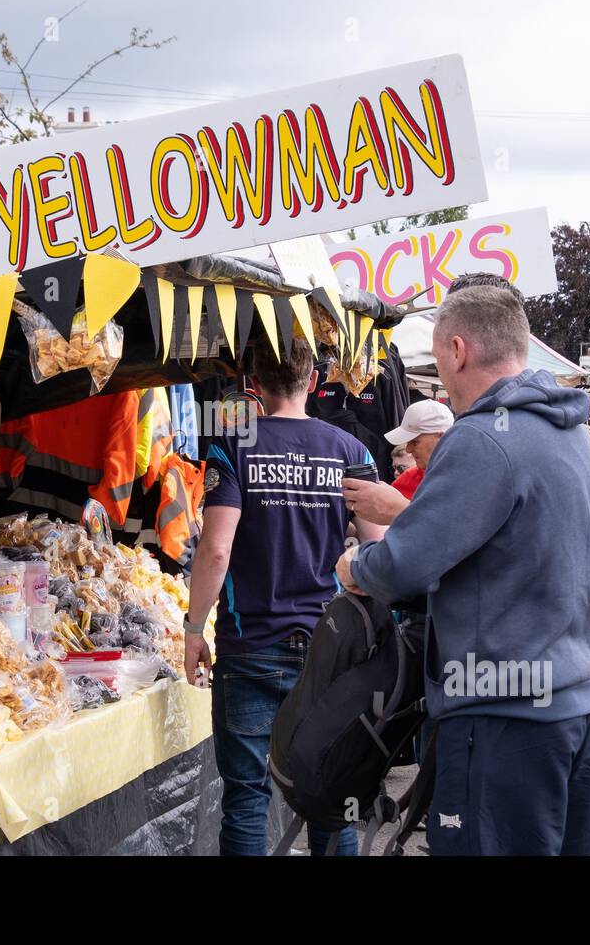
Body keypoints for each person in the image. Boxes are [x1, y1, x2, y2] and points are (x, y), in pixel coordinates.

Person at [337, 286, 590, 855]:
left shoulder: (483, 438)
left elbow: (402, 565)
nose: (440, 367)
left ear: (457, 350)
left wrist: (356, 564)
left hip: (503, 717)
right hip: (575, 708)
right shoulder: (572, 434)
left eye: (438, 358)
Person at [185, 337, 386, 856]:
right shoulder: (351, 452)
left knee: (248, 797)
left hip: (248, 646)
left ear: (253, 383)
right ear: (315, 382)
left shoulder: (232, 446)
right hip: (330, 647)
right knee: (329, 792)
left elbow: (214, 551)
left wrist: (193, 629)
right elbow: (379, 553)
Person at [346, 399, 454, 521]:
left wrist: (399, 510)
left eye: (415, 442)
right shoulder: (410, 477)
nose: (408, 449)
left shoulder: (468, 478)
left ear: (442, 437)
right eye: (408, 442)